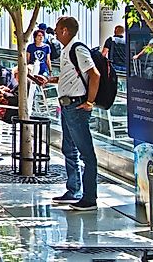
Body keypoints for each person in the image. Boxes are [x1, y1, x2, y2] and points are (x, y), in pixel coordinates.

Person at [47, 16, 100, 211]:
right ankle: (74, 189)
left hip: (77, 107)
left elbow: (94, 74)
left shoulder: (78, 49)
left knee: (86, 153)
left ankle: (89, 197)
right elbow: (71, 77)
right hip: (67, 106)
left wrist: (89, 102)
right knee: (69, 149)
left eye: (56, 29)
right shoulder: (66, 50)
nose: (54, 32)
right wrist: (52, 80)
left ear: (65, 31)